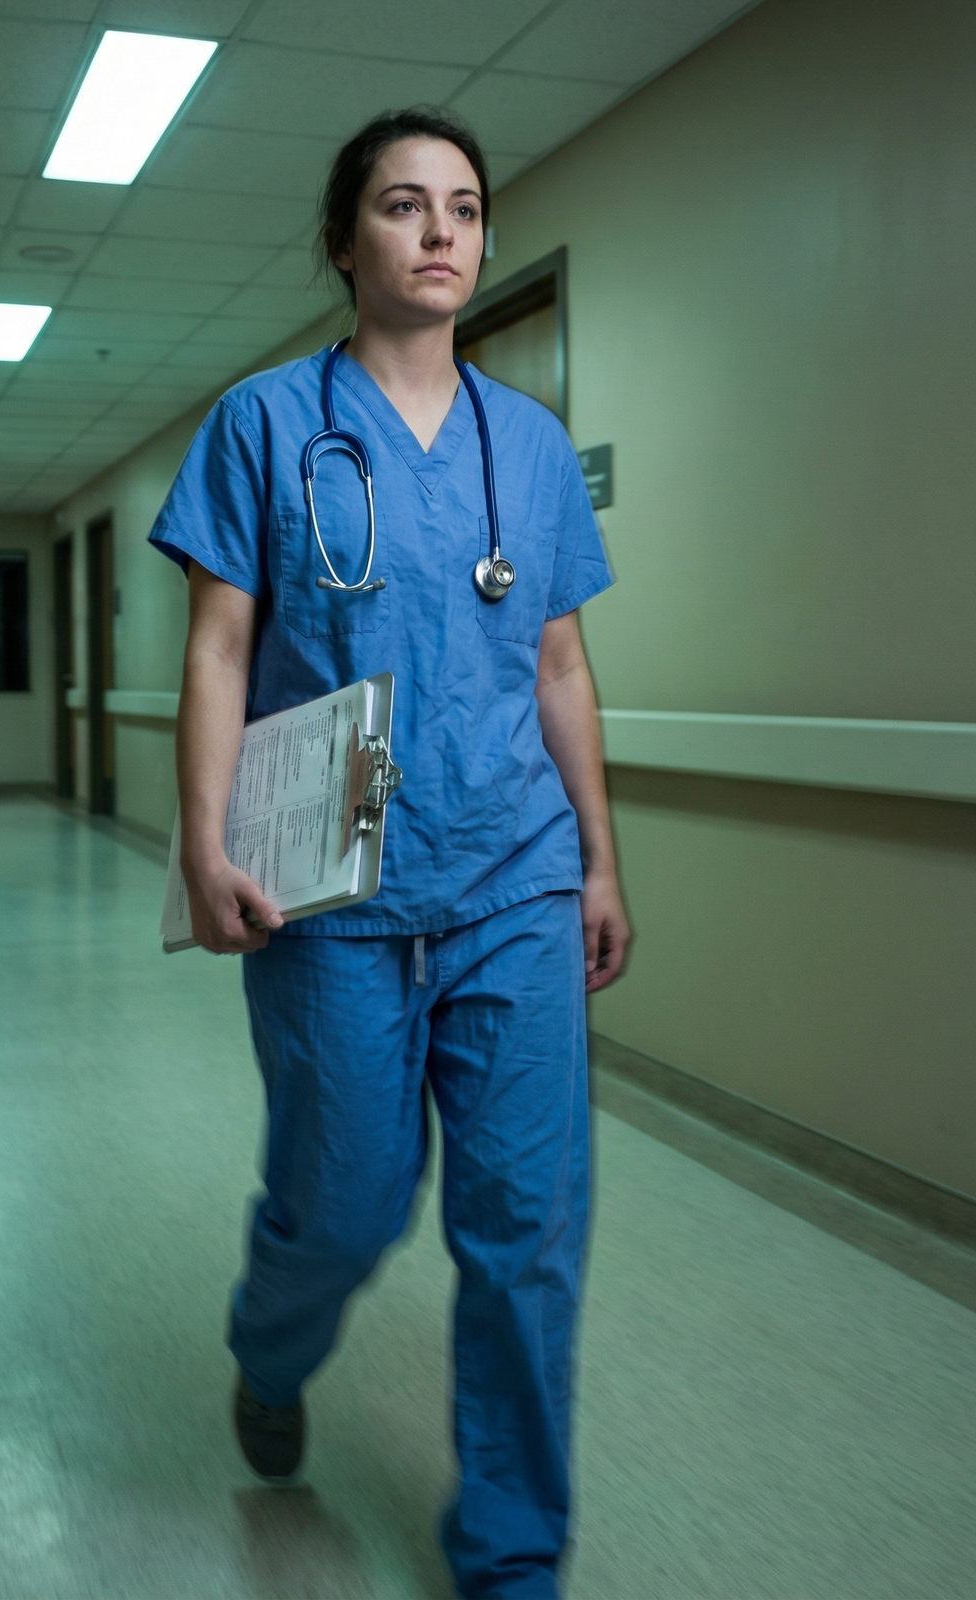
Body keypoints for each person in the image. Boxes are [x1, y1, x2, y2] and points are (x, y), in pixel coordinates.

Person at [148, 106, 631, 1600]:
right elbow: (223, 651)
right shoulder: (267, 423)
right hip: (330, 893)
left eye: (466, 209)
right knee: (348, 1200)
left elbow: (556, 665)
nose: (441, 232)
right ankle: (272, 1342)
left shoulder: (531, 446)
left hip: (514, 878)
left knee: (528, 1232)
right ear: (345, 238)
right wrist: (206, 837)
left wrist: (601, 861)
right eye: (405, 206)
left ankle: (512, 1554)